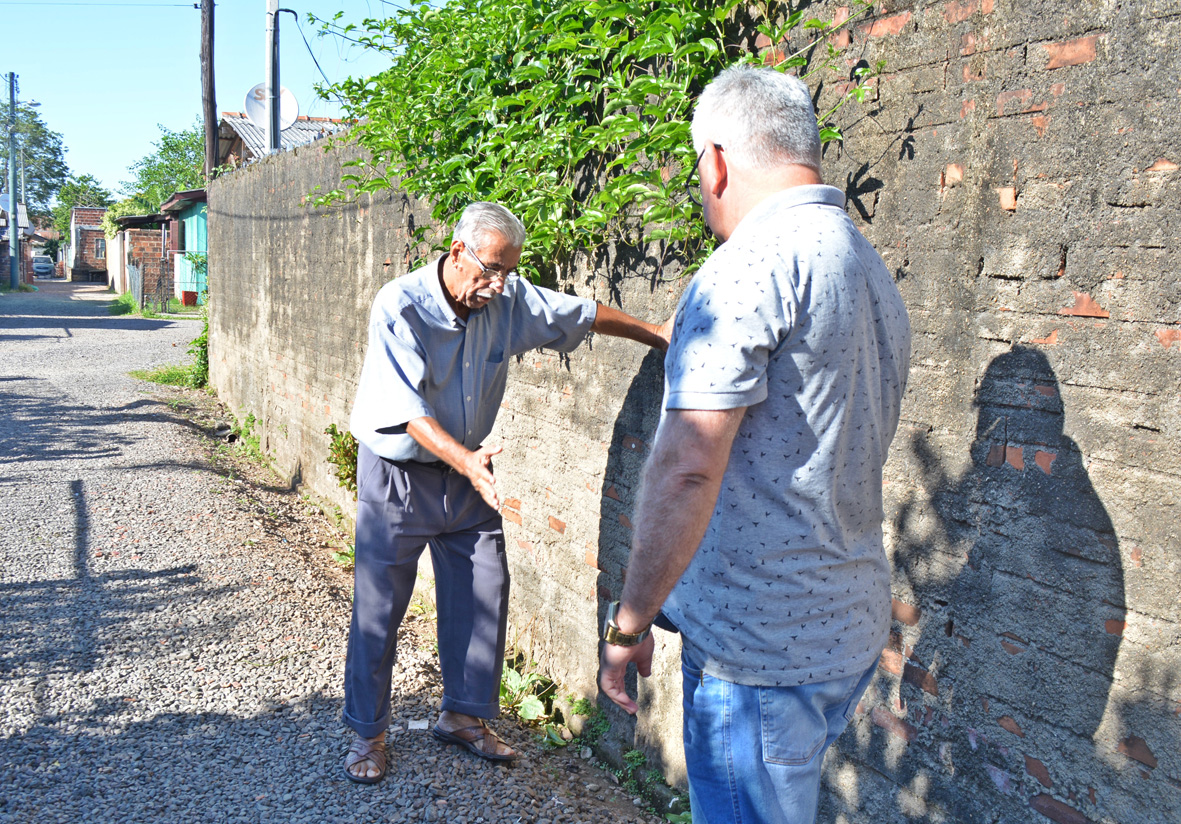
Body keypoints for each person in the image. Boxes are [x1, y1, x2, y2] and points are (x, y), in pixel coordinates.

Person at [598, 66, 911, 823]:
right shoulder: (866, 267)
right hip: (842, 626)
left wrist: (629, 622)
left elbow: (685, 467)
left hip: (759, 655)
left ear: (714, 159)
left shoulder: (745, 269)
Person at [343, 202, 670, 783]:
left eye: (507, 272)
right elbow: (407, 411)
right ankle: (369, 735)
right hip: (400, 476)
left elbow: (583, 314)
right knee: (378, 609)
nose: (496, 285)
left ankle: (463, 718)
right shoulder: (400, 305)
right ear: (457, 251)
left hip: (470, 476)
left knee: (484, 590)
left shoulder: (507, 297)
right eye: (489, 269)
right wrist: (466, 459)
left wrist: (657, 334)